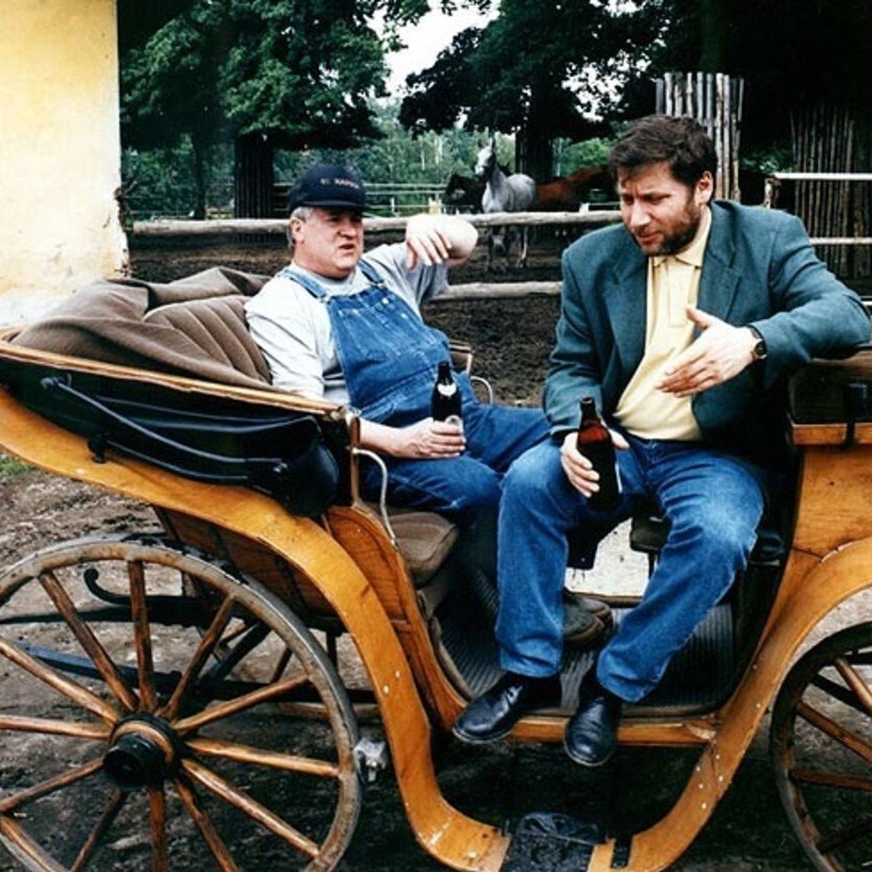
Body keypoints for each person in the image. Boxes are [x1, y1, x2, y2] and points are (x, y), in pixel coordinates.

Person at [453, 115, 872, 766]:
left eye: (654, 199)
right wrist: (573, 429)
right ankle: (529, 666)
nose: (635, 216)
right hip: (618, 441)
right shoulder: (592, 259)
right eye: (625, 197)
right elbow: (570, 366)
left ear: (702, 188)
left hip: (716, 451)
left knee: (719, 533)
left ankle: (614, 681)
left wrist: (753, 340)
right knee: (530, 482)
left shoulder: (766, 238)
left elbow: (847, 316)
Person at [246, 163, 610, 642]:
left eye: (356, 220)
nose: (350, 231)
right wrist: (402, 441)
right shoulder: (283, 304)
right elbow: (312, 415)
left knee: (564, 440)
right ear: (298, 227)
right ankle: (529, 604)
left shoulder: (381, 268)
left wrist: (429, 225)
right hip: (376, 451)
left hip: (462, 417)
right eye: (334, 219)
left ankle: (541, 579)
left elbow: (466, 242)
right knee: (479, 487)